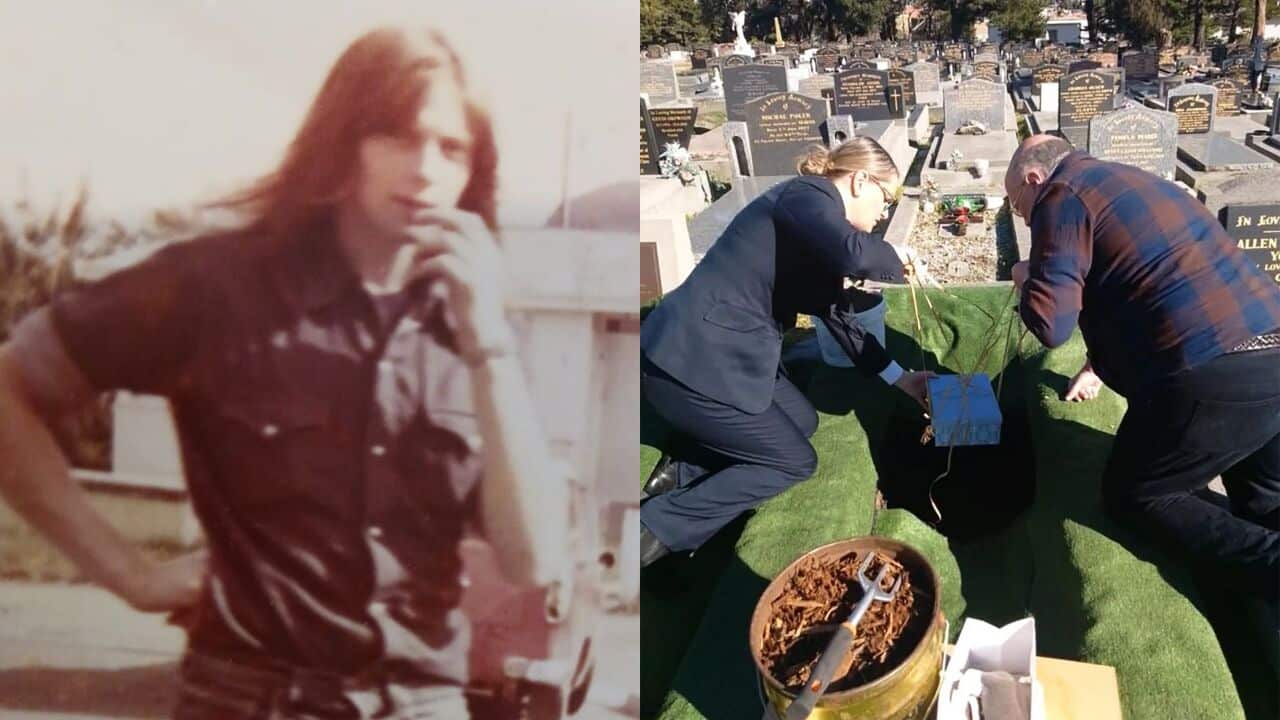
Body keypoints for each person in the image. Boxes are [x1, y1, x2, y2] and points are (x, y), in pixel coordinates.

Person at [0, 26, 566, 719]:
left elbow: (533, 561)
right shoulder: (215, 287)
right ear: (341, 140)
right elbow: (12, 390)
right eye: (395, 135)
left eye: (452, 148)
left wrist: (490, 344)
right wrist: (129, 575)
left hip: (424, 702)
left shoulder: (476, 326)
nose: (424, 170)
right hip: (249, 698)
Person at [1007, 134, 1280, 601]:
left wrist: (1025, 276)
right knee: (1264, 497)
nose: (1025, 218)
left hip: (1210, 369)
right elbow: (1146, 279)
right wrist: (1096, 364)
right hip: (1270, 346)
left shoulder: (1061, 194)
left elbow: (1052, 324)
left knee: (1139, 496)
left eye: (1018, 208)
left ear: (1033, 179)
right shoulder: (1130, 180)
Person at [639, 137, 933, 567]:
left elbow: (838, 317)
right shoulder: (806, 195)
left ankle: (681, 472)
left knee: (801, 419)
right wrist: (898, 255)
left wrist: (901, 378)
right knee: (791, 462)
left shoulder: (814, 231)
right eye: (885, 199)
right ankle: (653, 529)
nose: (884, 212)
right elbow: (854, 254)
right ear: (858, 181)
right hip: (688, 361)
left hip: (724, 351)